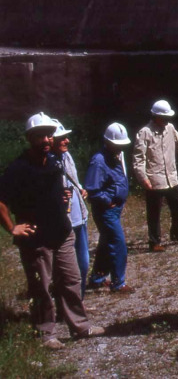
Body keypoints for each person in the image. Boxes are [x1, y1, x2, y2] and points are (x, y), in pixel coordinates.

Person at [0, 113, 104, 349]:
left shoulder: (55, 162)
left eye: (49, 135)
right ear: (29, 138)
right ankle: (45, 333)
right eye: (41, 136)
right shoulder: (19, 168)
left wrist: (62, 196)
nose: (47, 140)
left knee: (71, 280)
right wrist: (11, 228)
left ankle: (80, 326)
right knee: (42, 287)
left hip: (63, 233)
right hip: (36, 238)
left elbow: (52, 191)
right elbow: (1, 201)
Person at [133, 100, 178, 253]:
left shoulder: (170, 128)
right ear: (155, 116)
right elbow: (138, 158)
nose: (167, 120)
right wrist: (143, 178)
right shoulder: (144, 132)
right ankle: (154, 242)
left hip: (171, 177)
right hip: (154, 179)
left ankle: (176, 233)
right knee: (154, 212)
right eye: (164, 117)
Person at [85, 123, 134, 294]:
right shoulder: (99, 161)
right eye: (117, 144)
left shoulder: (116, 156)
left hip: (115, 209)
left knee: (106, 243)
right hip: (106, 211)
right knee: (118, 244)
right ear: (108, 142)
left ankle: (97, 278)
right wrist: (107, 201)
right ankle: (118, 282)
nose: (120, 147)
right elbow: (92, 189)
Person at [52, 120, 90, 298]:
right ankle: (68, 303)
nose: (67, 140)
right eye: (62, 138)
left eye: (66, 137)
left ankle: (78, 300)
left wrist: (80, 188)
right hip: (63, 221)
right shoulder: (47, 163)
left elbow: (73, 178)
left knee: (84, 263)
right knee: (66, 268)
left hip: (79, 217)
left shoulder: (66, 156)